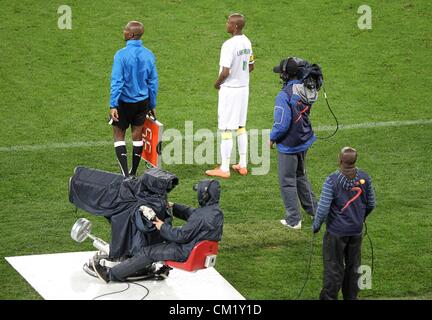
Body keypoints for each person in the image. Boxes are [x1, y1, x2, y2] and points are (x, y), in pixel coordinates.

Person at [92, 179, 224, 283]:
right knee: (166, 237)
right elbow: (191, 213)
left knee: (148, 252)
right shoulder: (215, 212)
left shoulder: (201, 216)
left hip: (184, 251)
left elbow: (179, 236)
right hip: (196, 247)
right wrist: (172, 206)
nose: (198, 194)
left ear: (205, 195)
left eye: (200, 192)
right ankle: (163, 269)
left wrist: (159, 224)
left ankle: (111, 275)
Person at [312, 147, 376, 300]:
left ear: (340, 160)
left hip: (336, 232)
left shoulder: (332, 180)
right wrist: (360, 218)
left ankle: (329, 297)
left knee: (333, 267)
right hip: (356, 231)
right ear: (355, 160)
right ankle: (351, 297)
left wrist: (316, 226)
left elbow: (323, 209)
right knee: (354, 267)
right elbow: (371, 204)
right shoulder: (365, 178)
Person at [270, 57, 318, 230]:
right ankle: (317, 212)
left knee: (287, 180)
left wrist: (272, 137)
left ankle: (293, 219)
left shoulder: (284, 95)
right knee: (301, 176)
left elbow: (282, 123)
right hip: (304, 139)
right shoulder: (306, 88)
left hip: (289, 144)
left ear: (286, 75)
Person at [206, 13, 254, 178]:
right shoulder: (247, 41)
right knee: (241, 126)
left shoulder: (228, 45)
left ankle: (224, 168)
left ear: (235, 26)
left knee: (226, 128)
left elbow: (225, 71)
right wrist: (240, 76)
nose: (226, 24)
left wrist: (217, 83)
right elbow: (251, 66)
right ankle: (242, 164)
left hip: (231, 90)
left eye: (228, 22)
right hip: (243, 89)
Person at [109, 21, 158, 179]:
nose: (123, 31)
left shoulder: (121, 55)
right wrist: (152, 104)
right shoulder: (149, 54)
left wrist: (113, 104)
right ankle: (133, 173)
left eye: (125, 30)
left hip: (124, 102)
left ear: (131, 35)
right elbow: (153, 82)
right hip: (142, 102)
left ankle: (125, 175)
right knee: (137, 136)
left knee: (118, 135)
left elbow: (117, 81)